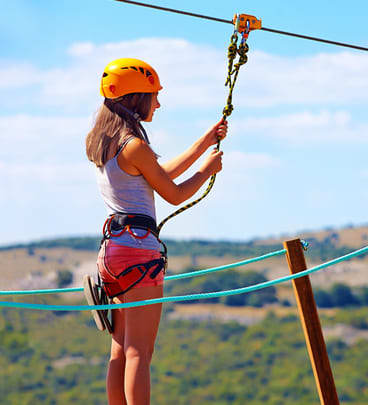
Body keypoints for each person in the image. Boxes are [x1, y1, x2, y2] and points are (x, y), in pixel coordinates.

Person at [85, 57, 227, 405]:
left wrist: (204, 141)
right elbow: (173, 192)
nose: (158, 103)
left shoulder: (106, 142)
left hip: (113, 252)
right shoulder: (133, 144)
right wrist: (207, 170)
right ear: (135, 98)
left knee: (120, 351)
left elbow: (157, 172)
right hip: (138, 251)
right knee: (139, 354)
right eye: (153, 95)